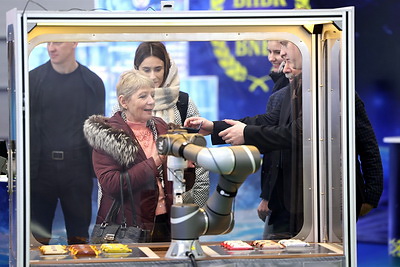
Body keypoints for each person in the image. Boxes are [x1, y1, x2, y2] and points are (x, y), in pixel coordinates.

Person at [186, 40, 304, 239]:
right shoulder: (290, 90)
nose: (283, 68)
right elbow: (268, 121)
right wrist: (214, 127)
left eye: (286, 59)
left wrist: (246, 133)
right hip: (289, 201)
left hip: (308, 200)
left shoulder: (323, 91)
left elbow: (297, 133)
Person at [29, 42, 105, 245]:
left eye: (58, 42)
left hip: (77, 170)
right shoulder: (32, 80)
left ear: (74, 43)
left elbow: (96, 132)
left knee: (79, 239)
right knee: (37, 239)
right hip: (40, 169)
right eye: (49, 42)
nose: (51, 48)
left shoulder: (92, 82)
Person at [84, 70, 172, 242]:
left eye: (152, 95)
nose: (151, 102)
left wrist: (187, 167)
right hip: (127, 227)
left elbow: (180, 183)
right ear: (123, 101)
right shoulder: (108, 135)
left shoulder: (161, 127)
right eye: (143, 96)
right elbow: (112, 185)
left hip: (166, 222)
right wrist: (153, 162)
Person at [133, 42, 210, 207]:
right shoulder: (125, 105)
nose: (153, 76)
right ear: (136, 69)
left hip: (180, 200)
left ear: (167, 68)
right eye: (146, 70)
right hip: (138, 204)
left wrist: (198, 206)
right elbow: (113, 161)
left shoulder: (183, 103)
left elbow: (199, 157)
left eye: (158, 69)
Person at [258, 40, 290, 238]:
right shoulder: (280, 86)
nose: (272, 58)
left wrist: (268, 196)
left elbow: (276, 145)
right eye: (269, 51)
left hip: (286, 200)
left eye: (277, 52)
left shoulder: (287, 86)